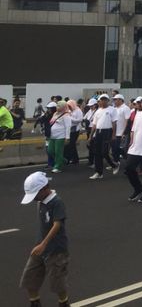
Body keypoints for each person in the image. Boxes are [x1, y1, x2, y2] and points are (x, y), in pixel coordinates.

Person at [19, 172, 71, 307]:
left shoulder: (57, 202)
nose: (34, 198)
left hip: (56, 250)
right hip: (40, 247)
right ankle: (35, 303)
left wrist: (44, 244)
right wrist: (40, 244)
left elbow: (57, 224)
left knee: (58, 283)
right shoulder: (41, 201)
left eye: (35, 195)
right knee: (30, 278)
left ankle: (63, 303)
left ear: (44, 188)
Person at [89, 94, 119, 180]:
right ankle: (99, 172)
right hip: (98, 132)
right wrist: (91, 136)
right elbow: (94, 124)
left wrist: (113, 135)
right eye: (101, 100)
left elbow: (114, 123)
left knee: (104, 152)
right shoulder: (98, 111)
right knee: (97, 153)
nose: (103, 101)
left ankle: (114, 165)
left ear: (108, 100)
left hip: (108, 131)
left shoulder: (112, 110)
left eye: (105, 99)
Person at [48, 101, 71, 174]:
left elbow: (68, 127)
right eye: (57, 106)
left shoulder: (66, 115)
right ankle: (63, 160)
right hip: (52, 136)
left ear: (64, 107)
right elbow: (51, 123)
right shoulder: (55, 114)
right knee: (50, 151)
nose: (57, 107)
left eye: (59, 106)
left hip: (60, 136)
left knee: (58, 151)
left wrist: (67, 137)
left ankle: (58, 167)